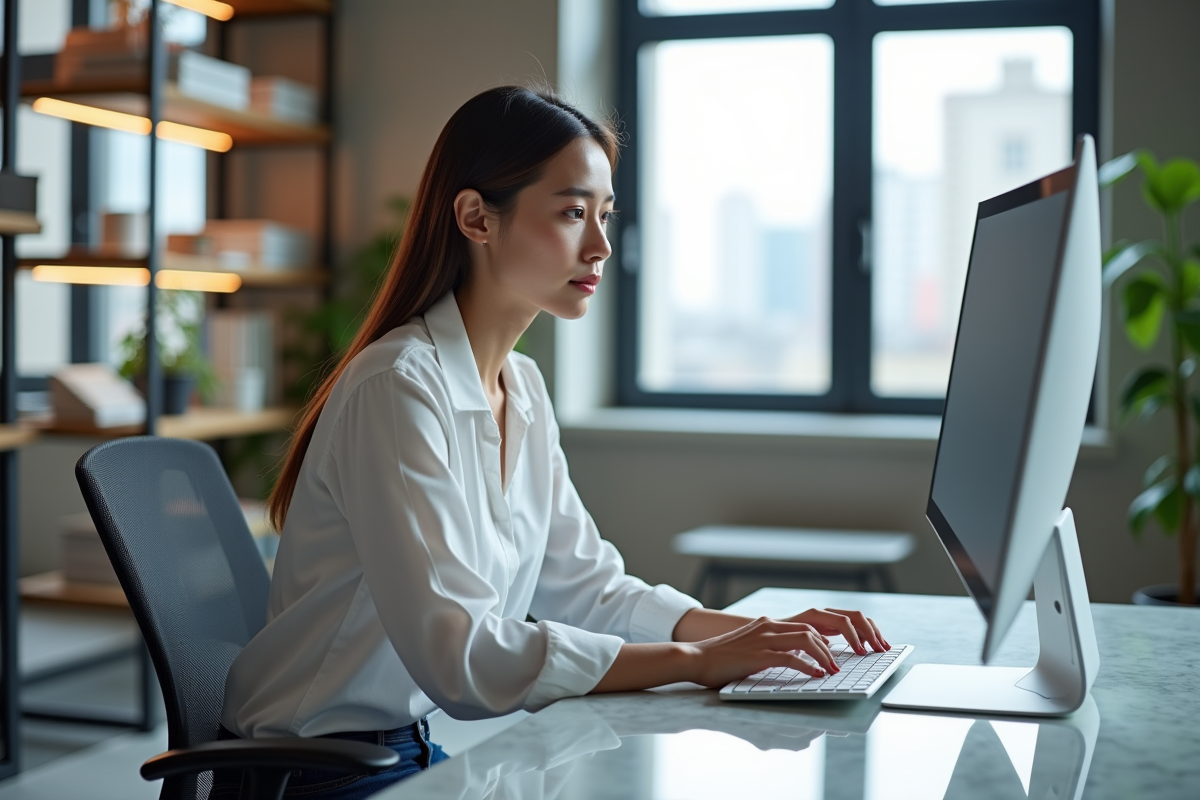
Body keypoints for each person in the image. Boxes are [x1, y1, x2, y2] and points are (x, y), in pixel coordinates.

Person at [215, 86, 890, 799]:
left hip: (395, 752)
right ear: (477, 218)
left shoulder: (523, 387)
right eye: (572, 213)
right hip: (313, 774)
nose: (600, 245)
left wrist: (757, 636)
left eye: (604, 215)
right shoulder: (397, 386)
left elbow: (588, 587)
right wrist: (696, 659)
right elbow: (465, 659)